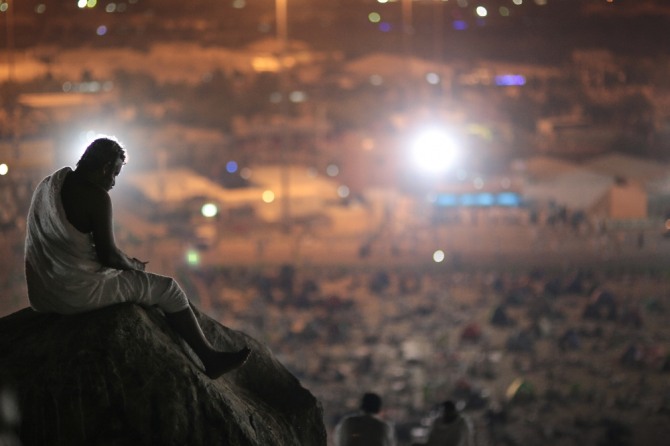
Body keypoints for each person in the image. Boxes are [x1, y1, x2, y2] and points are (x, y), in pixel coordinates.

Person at [24, 137, 250, 379]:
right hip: (76, 293)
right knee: (169, 289)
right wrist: (134, 265)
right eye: (115, 174)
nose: (113, 182)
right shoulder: (96, 198)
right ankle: (210, 358)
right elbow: (108, 255)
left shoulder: (49, 184)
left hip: (43, 293)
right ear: (105, 168)